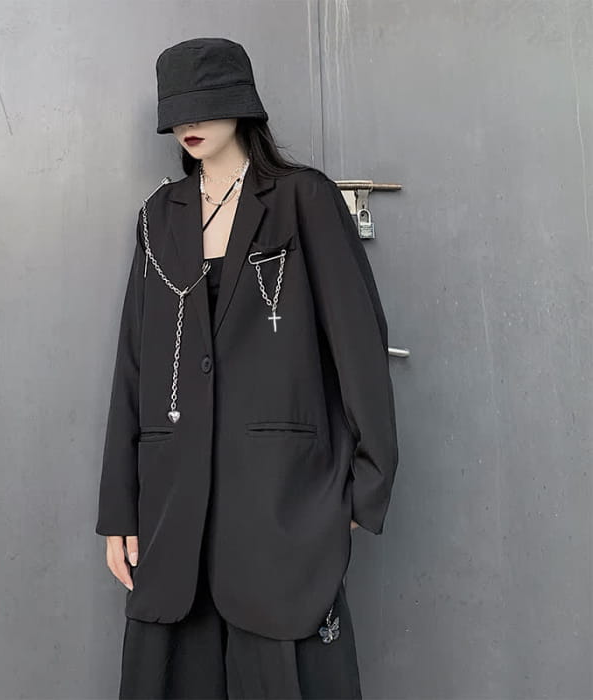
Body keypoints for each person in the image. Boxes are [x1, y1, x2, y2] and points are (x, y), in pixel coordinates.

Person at [96, 37, 399, 699]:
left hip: (280, 510)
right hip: (174, 511)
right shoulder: (159, 218)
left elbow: (359, 346)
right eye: (176, 112)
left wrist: (362, 490)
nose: (189, 123)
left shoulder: (302, 199)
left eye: (204, 105)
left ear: (242, 103)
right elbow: (133, 367)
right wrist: (120, 508)